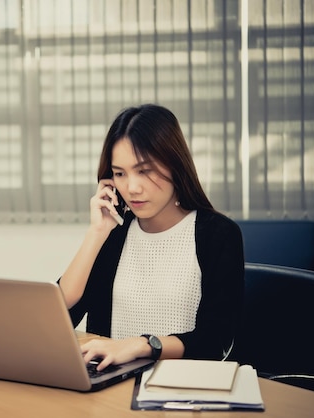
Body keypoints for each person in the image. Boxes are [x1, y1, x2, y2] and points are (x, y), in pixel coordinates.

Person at [58, 104, 244, 371]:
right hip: (113, 386)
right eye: (120, 174)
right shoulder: (115, 233)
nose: (132, 188)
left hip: (183, 388)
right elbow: (60, 316)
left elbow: (216, 342)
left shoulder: (218, 234)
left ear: (175, 165)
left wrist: (142, 345)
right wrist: (96, 233)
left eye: (144, 170)